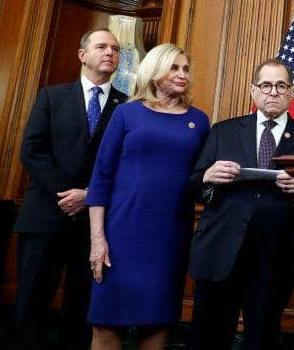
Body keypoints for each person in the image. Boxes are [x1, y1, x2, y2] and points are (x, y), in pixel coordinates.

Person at [187, 58, 294, 350]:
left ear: (291, 92)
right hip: (220, 251)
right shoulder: (223, 131)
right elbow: (192, 185)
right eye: (265, 85)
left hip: (275, 258)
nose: (272, 92)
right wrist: (209, 177)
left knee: (261, 339)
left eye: (280, 86)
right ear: (253, 91)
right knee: (208, 338)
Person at [85, 44, 209, 349]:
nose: (182, 75)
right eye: (174, 67)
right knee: (107, 321)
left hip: (170, 236)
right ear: (154, 72)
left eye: (185, 69)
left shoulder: (199, 120)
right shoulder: (126, 113)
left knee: (157, 323)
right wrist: (98, 240)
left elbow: (201, 179)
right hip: (121, 233)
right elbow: (101, 177)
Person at [13, 27, 125, 350]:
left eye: (115, 49)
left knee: (81, 309)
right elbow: (31, 151)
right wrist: (69, 194)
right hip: (45, 216)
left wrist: (89, 196)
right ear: (82, 54)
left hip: (94, 226)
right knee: (30, 304)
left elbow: (125, 164)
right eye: (102, 46)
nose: (110, 53)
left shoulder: (126, 107)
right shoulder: (51, 95)